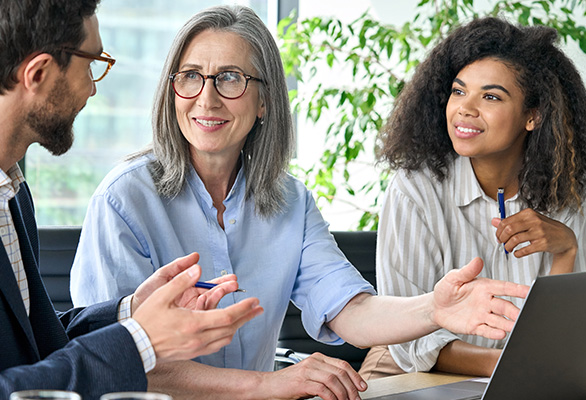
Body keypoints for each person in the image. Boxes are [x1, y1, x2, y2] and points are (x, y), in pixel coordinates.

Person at [70, 6, 530, 400]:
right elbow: (115, 359)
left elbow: (350, 311)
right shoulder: (124, 199)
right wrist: (267, 385)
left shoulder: (290, 201)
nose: (206, 98)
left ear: (264, 100)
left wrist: (436, 309)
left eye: (229, 78)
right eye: (191, 77)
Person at [0, 1, 265, 398]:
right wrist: (141, 341)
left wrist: (133, 310)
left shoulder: (13, 195)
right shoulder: (121, 192)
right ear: (38, 73)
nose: (92, 87)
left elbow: (35, 344)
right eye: (90, 64)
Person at [359, 16, 586, 380]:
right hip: (412, 369)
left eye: (490, 96)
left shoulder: (565, 186)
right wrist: (513, 367)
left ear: (532, 115)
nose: (465, 108)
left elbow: (568, 333)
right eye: (459, 91)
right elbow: (410, 345)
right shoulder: (415, 189)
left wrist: (565, 249)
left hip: (524, 373)